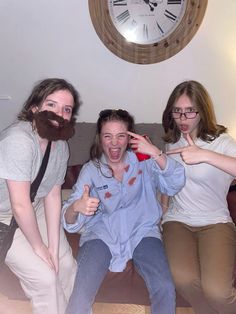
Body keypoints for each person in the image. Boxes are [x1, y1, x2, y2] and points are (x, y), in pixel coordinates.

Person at [62, 109, 185, 314]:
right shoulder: (91, 170)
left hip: (143, 232)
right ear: (99, 139)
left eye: (121, 136)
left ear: (129, 138)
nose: (114, 143)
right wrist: (75, 208)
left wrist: (155, 152)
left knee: (164, 286)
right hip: (101, 235)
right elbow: (69, 218)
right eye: (107, 136)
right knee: (81, 292)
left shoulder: (143, 161)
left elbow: (174, 183)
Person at [0, 78, 81, 314]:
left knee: (65, 265)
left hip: (32, 207)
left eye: (66, 109)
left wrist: (54, 249)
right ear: (34, 108)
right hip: (4, 217)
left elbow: (53, 196)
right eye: (51, 105)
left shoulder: (60, 146)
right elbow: (19, 204)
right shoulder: (19, 140)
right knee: (45, 278)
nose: (59, 114)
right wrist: (39, 248)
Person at [161, 80, 236, 314]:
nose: (183, 118)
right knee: (183, 280)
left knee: (217, 291)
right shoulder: (172, 143)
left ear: (202, 111)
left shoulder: (222, 142)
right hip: (177, 221)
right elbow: (167, 182)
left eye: (190, 111)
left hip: (215, 222)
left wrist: (204, 155)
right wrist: (162, 210)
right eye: (177, 111)